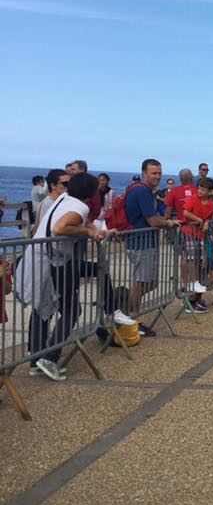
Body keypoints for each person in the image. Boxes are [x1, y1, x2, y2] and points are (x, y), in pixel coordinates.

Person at [32, 173, 107, 381]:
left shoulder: (64, 199)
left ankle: (37, 359)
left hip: (42, 259)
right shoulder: (80, 206)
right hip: (55, 263)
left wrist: (94, 230)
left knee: (47, 308)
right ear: (91, 193)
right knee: (73, 310)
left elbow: (86, 222)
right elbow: (60, 228)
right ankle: (49, 358)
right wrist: (89, 233)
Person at [125, 158, 181, 333]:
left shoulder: (145, 191)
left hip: (144, 242)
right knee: (141, 281)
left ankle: (125, 309)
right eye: (153, 173)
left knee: (151, 282)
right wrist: (169, 222)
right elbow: (153, 220)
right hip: (141, 243)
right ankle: (132, 318)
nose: (157, 176)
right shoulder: (142, 192)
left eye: (159, 173)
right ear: (144, 173)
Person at [181, 177, 213, 313]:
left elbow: (209, 218)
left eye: (203, 190)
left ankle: (195, 295)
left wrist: (206, 222)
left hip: (200, 235)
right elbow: (185, 212)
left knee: (198, 259)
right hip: (189, 232)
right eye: (199, 189)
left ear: (210, 191)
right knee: (191, 257)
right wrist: (199, 220)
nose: (200, 191)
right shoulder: (193, 198)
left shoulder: (211, 205)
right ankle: (193, 283)